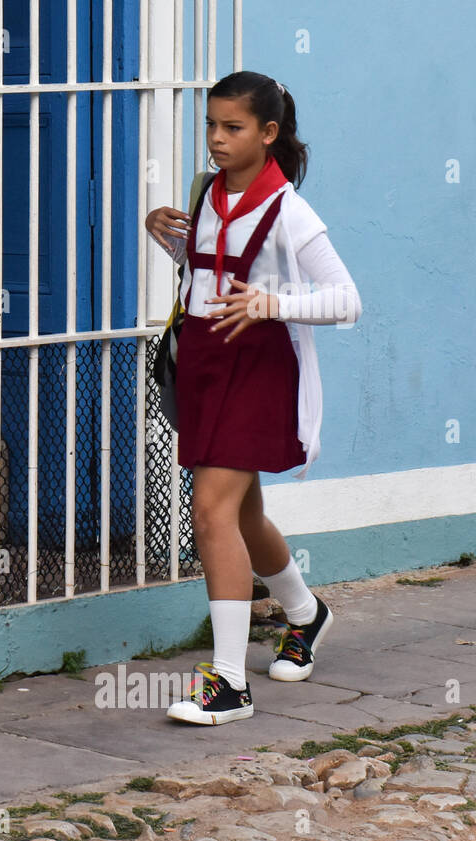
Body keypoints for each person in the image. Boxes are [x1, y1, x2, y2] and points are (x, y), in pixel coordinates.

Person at [142, 71, 362, 725]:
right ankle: (306, 612)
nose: (216, 139)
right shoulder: (207, 192)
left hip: (259, 368)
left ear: (268, 134)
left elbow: (347, 300)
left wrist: (274, 303)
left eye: (232, 128)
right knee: (240, 515)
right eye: (210, 125)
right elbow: (207, 272)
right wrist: (171, 238)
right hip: (206, 363)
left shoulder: (291, 210)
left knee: (209, 511)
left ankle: (230, 683)